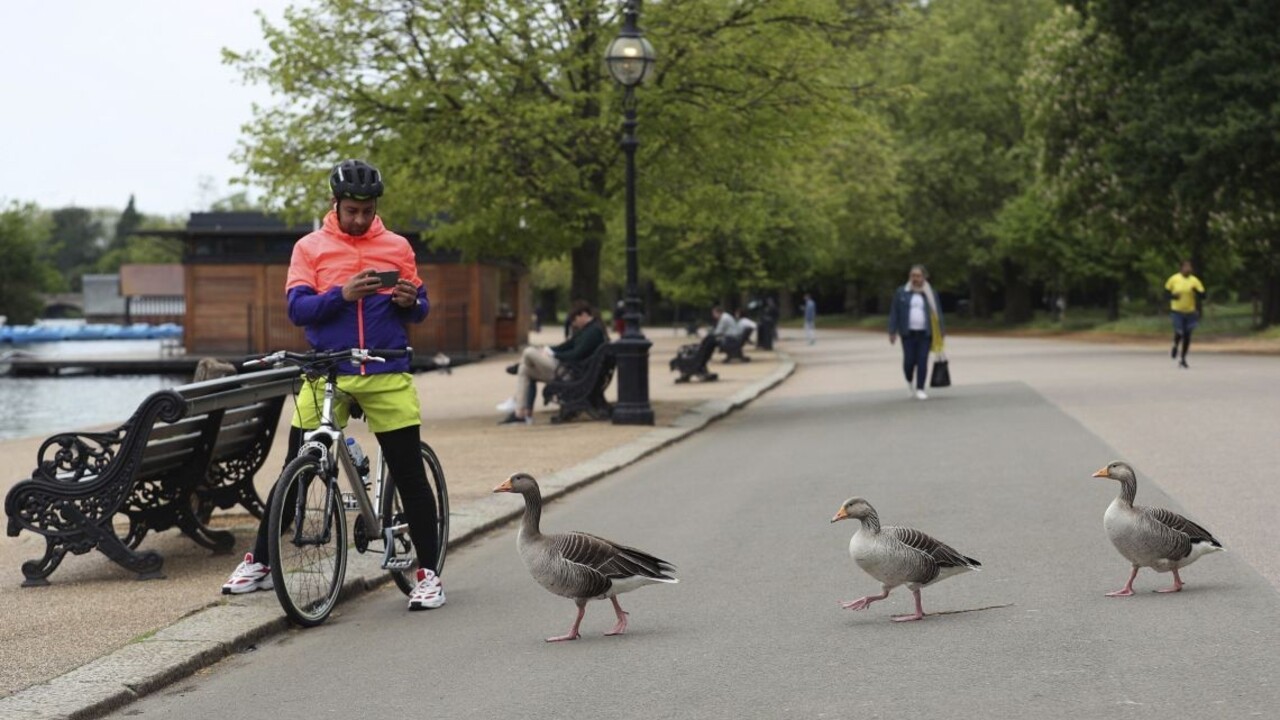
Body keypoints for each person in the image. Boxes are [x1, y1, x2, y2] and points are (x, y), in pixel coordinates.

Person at [221, 159, 445, 611]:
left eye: (367, 210)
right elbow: (298, 310)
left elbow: (418, 307)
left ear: (375, 206)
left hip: (385, 369)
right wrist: (341, 295)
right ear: (335, 205)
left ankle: (428, 574)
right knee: (293, 470)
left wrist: (411, 301)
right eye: (351, 210)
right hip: (326, 371)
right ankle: (262, 563)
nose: (359, 219)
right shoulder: (310, 248)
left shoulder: (397, 246)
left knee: (409, 474)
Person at [499, 300, 607, 425]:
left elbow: (576, 354)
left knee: (529, 351)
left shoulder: (593, 332)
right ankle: (521, 414)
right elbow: (567, 345)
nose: (574, 323)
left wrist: (553, 355)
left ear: (583, 315)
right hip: (569, 371)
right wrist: (548, 349)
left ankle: (516, 397)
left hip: (570, 374)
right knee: (524, 369)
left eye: (574, 320)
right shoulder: (587, 330)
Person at [888, 264, 945, 401]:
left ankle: (920, 388)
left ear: (924, 277)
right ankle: (909, 381)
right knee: (909, 361)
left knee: (922, 360)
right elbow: (894, 312)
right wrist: (892, 331)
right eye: (913, 276)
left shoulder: (930, 293)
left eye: (918, 276)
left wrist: (942, 330)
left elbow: (938, 312)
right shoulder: (902, 292)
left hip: (925, 333)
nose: (915, 278)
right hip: (908, 333)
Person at [1165, 260, 1205, 369]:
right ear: (1181, 268)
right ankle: (1175, 345)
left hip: (1190, 311)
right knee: (1180, 331)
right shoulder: (1174, 279)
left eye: (1190, 267)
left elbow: (1203, 295)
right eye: (1186, 267)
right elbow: (1166, 294)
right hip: (1177, 310)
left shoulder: (1194, 281)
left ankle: (1183, 358)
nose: (1188, 269)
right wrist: (1173, 297)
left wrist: (1196, 291)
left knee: (1187, 335)